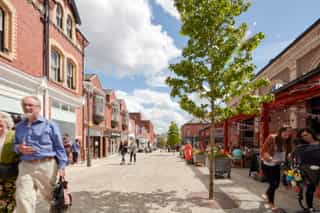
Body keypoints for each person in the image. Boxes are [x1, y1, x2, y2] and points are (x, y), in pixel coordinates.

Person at [13, 96, 67, 213]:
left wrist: (62, 167)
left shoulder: (50, 125)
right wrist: (19, 148)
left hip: (47, 165)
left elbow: (59, 148)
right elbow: (15, 145)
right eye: (24, 105)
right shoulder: (19, 126)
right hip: (26, 166)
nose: (27, 107)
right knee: (23, 197)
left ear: (39, 108)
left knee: (52, 199)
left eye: (30, 105)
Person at [261, 126, 291, 211]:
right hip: (267, 164)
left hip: (277, 164)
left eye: (289, 134)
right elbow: (264, 151)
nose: (287, 136)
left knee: (276, 184)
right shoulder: (272, 138)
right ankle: (271, 204)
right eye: (285, 133)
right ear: (280, 131)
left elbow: (288, 152)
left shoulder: (287, 141)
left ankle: (266, 194)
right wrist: (271, 159)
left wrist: (288, 157)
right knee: (273, 184)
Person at [297, 128, 320, 212]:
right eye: (302, 136)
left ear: (311, 133)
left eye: (306, 135)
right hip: (310, 170)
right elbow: (301, 160)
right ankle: (310, 207)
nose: (304, 137)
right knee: (311, 189)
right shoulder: (302, 147)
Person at [0, 112, 18, 213]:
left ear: (7, 124)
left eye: (1, 125)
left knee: (8, 203)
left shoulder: (14, 136)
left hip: (10, 176)